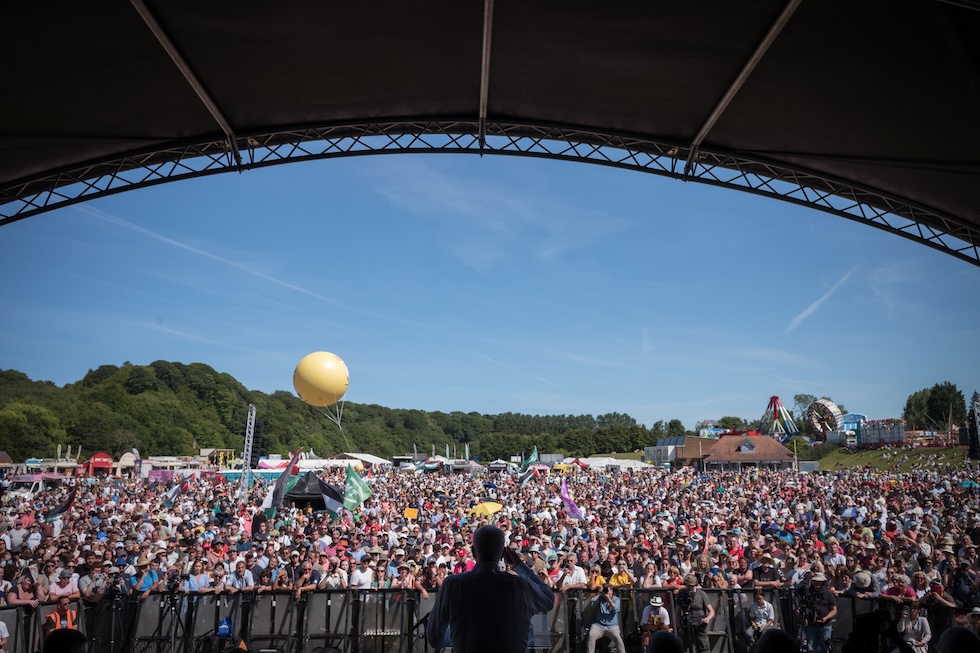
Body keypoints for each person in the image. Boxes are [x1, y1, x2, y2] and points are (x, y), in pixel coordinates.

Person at [426, 525, 554, 653]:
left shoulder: (452, 584)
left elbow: (435, 638)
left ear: (474, 551)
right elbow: (548, 599)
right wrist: (519, 564)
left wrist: (457, 634)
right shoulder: (519, 585)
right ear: (504, 553)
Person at [679, 574, 715, 652]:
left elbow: (711, 611)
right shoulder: (682, 594)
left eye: (692, 586)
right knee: (685, 648)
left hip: (699, 624)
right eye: (689, 586)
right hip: (686, 624)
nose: (691, 588)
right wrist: (679, 624)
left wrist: (707, 618)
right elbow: (677, 611)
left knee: (704, 648)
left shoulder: (701, 594)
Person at [586, 584, 626, 653]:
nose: (607, 593)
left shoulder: (616, 599)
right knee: (591, 635)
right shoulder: (600, 598)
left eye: (608, 591)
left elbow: (616, 609)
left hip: (612, 626)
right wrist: (599, 593)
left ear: (612, 591)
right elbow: (592, 604)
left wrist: (609, 600)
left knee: (618, 638)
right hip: (599, 625)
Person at [802, 573, 837, 653]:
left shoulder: (828, 594)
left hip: (825, 625)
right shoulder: (808, 593)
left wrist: (826, 618)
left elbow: (834, 610)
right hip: (812, 624)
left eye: (819, 582)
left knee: (825, 647)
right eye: (816, 581)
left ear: (823, 583)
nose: (817, 583)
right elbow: (804, 606)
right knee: (811, 647)